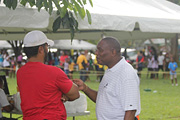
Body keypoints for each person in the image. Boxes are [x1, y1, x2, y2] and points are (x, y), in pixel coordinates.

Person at [17, 30, 80, 120]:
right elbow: (75, 94)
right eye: (47, 46)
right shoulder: (54, 72)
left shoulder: (20, 73)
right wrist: (64, 95)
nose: (48, 49)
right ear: (41, 49)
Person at [73, 37, 140, 120]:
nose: (96, 53)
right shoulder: (111, 70)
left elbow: (130, 111)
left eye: (100, 50)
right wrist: (85, 88)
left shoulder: (126, 73)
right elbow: (104, 99)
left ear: (113, 52)